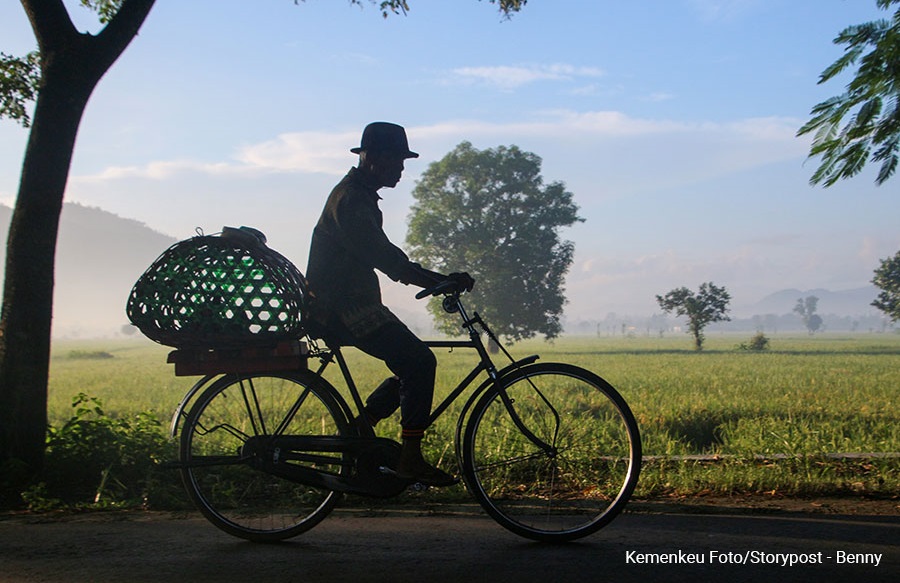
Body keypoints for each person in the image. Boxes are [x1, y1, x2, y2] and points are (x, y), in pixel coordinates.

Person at [305, 122, 474, 487]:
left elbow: (385, 257)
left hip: (351, 304)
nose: (400, 169)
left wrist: (435, 279)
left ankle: (361, 430)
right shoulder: (350, 200)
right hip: (342, 308)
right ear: (371, 158)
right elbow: (386, 258)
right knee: (418, 361)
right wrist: (436, 280)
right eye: (396, 160)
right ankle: (409, 459)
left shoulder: (358, 196)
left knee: (407, 364)